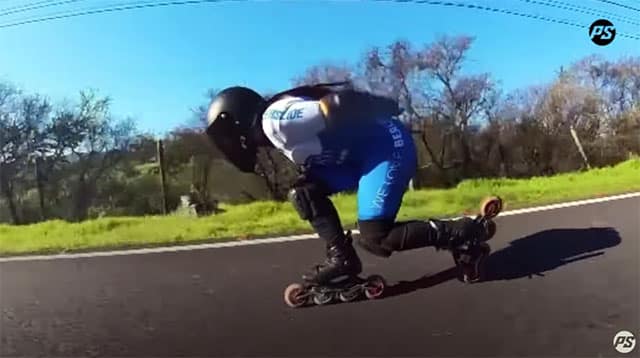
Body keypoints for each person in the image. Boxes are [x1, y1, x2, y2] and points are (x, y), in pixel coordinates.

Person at [205, 83, 491, 285]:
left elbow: (335, 105)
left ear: (235, 124)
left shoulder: (274, 121)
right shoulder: (274, 129)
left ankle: (461, 232)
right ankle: (342, 258)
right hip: (356, 157)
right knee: (304, 193)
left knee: (376, 237)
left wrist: (378, 105)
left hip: (385, 147)